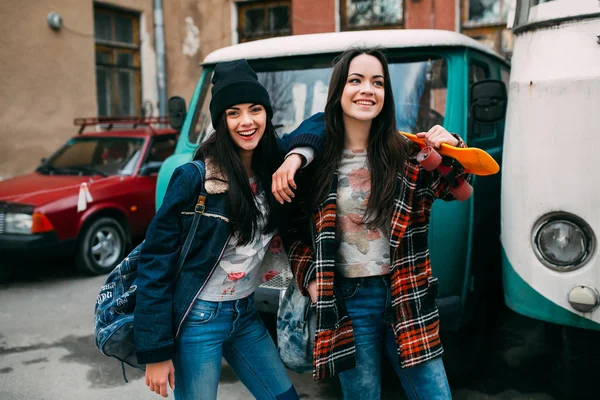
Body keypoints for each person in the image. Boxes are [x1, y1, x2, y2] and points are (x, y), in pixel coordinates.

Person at [274, 48, 469, 400]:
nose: (368, 89)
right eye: (356, 80)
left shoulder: (406, 153)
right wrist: (311, 279)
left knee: (436, 394)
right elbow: (292, 232)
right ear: (339, 91)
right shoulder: (314, 163)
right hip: (347, 300)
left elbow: (457, 189)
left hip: (406, 293)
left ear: (385, 94)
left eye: (377, 82)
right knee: (362, 395)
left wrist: (453, 146)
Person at [134, 59, 309, 400]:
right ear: (221, 121)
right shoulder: (195, 179)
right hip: (199, 319)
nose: (247, 121)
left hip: (244, 314)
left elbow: (318, 126)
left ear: (267, 114)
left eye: (255, 109)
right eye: (233, 113)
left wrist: (297, 157)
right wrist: (155, 351)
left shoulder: (275, 168)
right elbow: (155, 262)